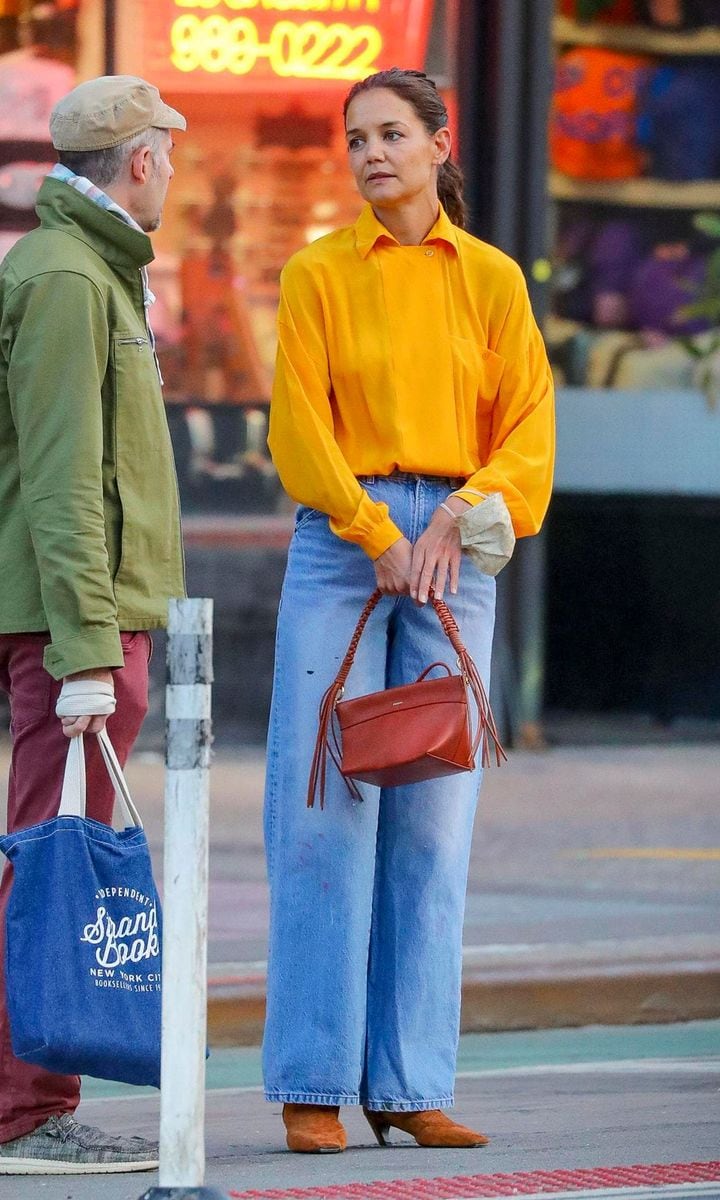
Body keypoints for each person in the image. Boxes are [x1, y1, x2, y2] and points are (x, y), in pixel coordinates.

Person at [263, 68, 555, 1154]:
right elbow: (300, 425)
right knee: (321, 810)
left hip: (460, 547)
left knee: (435, 823)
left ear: (441, 143)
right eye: (357, 138)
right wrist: (380, 533)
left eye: (393, 133)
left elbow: (526, 427)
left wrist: (451, 525)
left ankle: (408, 1081)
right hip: (343, 547)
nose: (371, 152)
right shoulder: (316, 274)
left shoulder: (491, 278)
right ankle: (311, 1079)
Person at [0, 75, 186, 1175]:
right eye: (169, 151)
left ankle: (32, 1101)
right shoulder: (71, 280)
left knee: (48, 856)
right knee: (51, 862)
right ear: (144, 159)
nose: (174, 169)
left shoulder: (79, 266)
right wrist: (83, 650)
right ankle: (26, 1113)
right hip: (78, 620)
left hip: (89, 613)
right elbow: (67, 477)